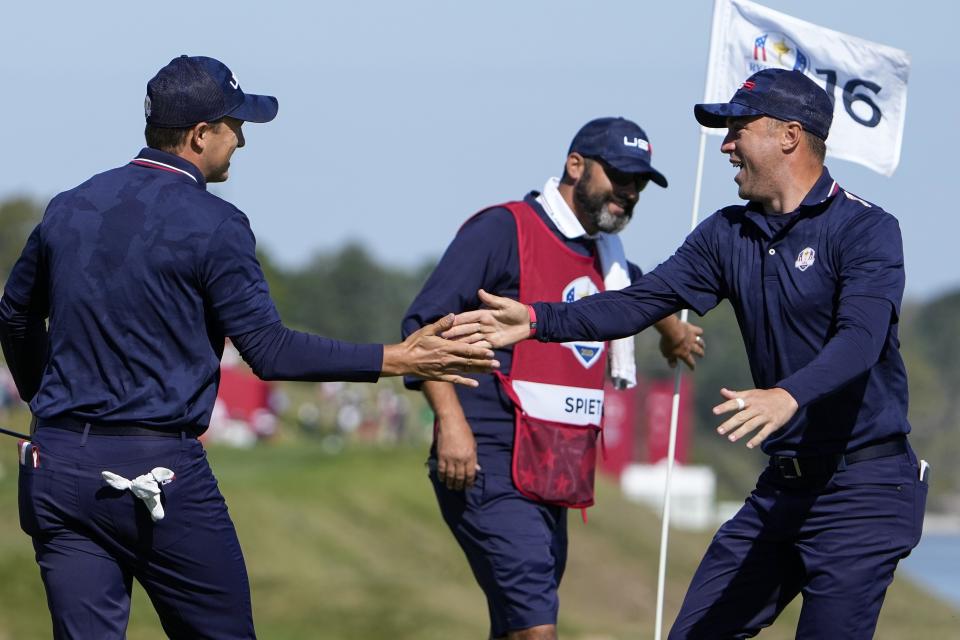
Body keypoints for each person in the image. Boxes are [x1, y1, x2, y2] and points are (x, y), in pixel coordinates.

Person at [0, 55, 496, 640]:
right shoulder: (216, 223)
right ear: (199, 135)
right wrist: (397, 358)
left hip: (57, 468)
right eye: (236, 127)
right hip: (156, 470)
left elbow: (16, 317)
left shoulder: (69, 206)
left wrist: (48, 411)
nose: (242, 141)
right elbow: (269, 351)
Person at [449, 69, 927, 639]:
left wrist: (787, 395)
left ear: (789, 137)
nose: (726, 145)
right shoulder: (727, 233)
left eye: (737, 129)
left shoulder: (867, 229)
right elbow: (636, 303)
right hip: (785, 485)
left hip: (866, 490)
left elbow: (862, 338)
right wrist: (535, 319)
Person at [402, 117, 704, 640]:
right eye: (620, 176)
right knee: (536, 630)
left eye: (639, 184)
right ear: (575, 166)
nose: (629, 192)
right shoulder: (503, 228)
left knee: (516, 627)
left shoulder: (606, 258)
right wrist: (449, 420)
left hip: (556, 469)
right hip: (488, 460)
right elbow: (422, 326)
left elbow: (637, 292)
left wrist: (672, 330)